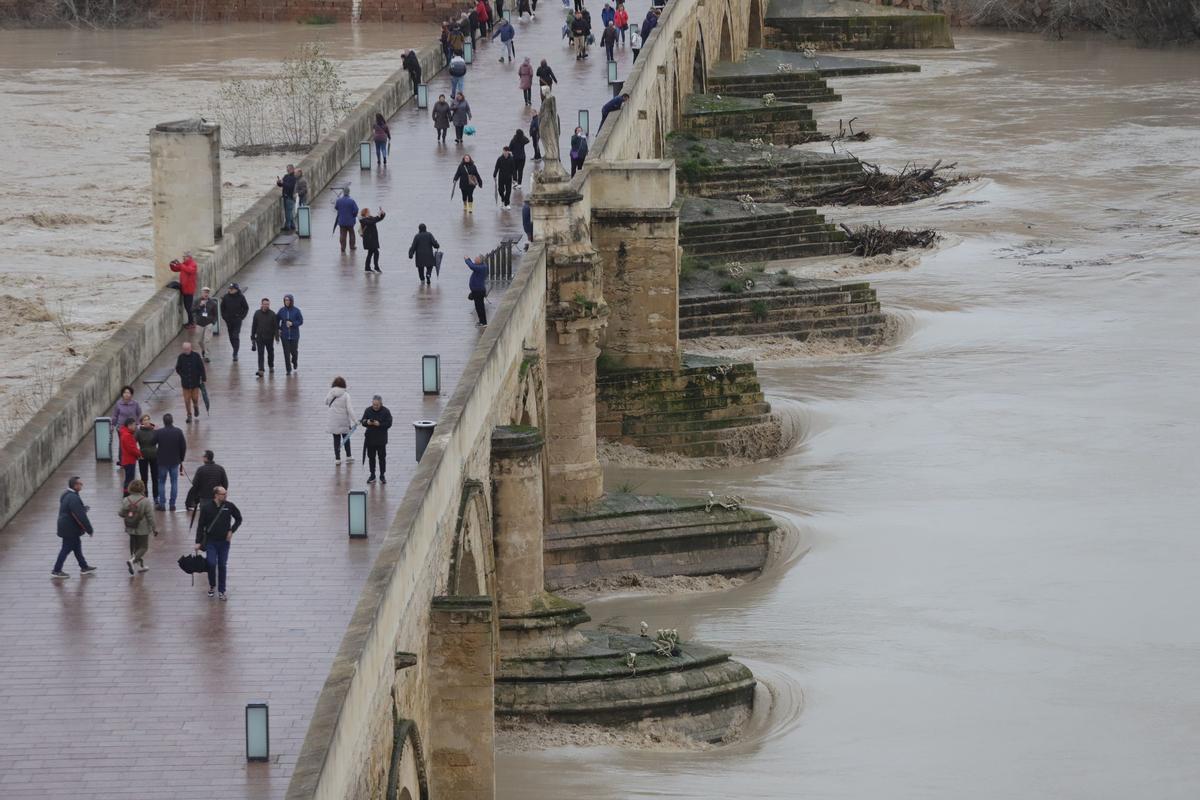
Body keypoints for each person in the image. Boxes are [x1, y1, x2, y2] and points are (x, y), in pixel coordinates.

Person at [194, 486, 242, 601]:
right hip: (211, 541)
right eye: (222, 494)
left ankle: (222, 590)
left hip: (224, 542)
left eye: (226, 493)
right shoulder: (206, 508)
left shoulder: (229, 506)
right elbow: (200, 525)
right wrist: (198, 542)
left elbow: (239, 518)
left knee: (222, 565)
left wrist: (232, 530)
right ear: (216, 495)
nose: (225, 496)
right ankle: (212, 585)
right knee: (211, 563)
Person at [51, 476, 96, 579]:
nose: (82, 485)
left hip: (67, 527)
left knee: (77, 547)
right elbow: (80, 516)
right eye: (80, 484)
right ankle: (56, 570)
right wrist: (89, 529)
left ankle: (84, 567)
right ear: (75, 485)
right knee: (66, 549)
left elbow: (71, 510)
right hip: (69, 529)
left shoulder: (67, 494)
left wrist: (82, 509)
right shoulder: (73, 498)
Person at [118, 479, 156, 575]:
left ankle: (140, 565)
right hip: (142, 528)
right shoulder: (145, 501)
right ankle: (132, 561)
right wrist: (154, 528)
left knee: (134, 546)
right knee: (143, 547)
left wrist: (128, 514)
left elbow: (121, 513)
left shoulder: (126, 499)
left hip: (130, 527)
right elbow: (150, 516)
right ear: (142, 488)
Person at [153, 413, 186, 512]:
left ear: (164, 422)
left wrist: (154, 431)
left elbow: (152, 442)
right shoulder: (178, 432)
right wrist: (181, 459)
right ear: (172, 421)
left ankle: (162, 504)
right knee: (174, 482)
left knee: (161, 482)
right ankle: (172, 505)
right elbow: (183, 447)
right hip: (175, 461)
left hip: (162, 461)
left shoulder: (159, 432)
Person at [360, 395, 393, 484]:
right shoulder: (368, 410)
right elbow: (363, 421)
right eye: (374, 404)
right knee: (371, 458)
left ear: (381, 404)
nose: (375, 407)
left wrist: (379, 424)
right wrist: (367, 422)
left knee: (382, 458)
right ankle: (372, 475)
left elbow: (389, 423)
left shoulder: (386, 411)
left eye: (377, 405)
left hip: (381, 440)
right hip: (370, 440)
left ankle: (382, 475)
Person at [325, 376, 357, 464]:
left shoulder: (331, 393)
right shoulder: (346, 395)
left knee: (336, 439)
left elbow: (326, 402)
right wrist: (355, 421)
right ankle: (348, 456)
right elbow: (350, 409)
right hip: (343, 420)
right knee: (346, 438)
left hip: (333, 421)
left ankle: (337, 459)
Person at [175, 341, 206, 423]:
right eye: (184, 349)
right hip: (185, 384)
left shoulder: (196, 356)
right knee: (187, 400)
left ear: (190, 348)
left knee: (195, 399)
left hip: (195, 383)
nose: (186, 351)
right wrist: (182, 375)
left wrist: (203, 378)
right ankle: (189, 415)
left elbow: (201, 367)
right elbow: (178, 368)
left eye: (187, 349)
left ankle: (196, 406)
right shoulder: (180, 357)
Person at [219, 281, 248, 361]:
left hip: (237, 320)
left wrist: (242, 317)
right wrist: (224, 317)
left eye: (232, 289)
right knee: (231, 337)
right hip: (229, 320)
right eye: (230, 289)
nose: (230, 290)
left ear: (236, 289)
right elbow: (222, 308)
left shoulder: (241, 297)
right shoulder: (225, 297)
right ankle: (235, 349)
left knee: (235, 335)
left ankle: (235, 353)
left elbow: (246, 308)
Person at [136, 414, 160, 507]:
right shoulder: (138, 432)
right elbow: (133, 443)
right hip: (143, 457)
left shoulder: (155, 430)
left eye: (148, 419)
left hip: (154, 456)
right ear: (141, 422)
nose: (146, 421)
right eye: (144, 420)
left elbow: (160, 441)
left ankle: (156, 498)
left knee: (155, 478)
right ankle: (145, 496)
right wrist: (138, 453)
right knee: (144, 478)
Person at [252, 297, 279, 377]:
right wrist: (252, 336)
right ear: (261, 304)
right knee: (260, 353)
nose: (266, 306)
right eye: (264, 304)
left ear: (269, 305)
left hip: (269, 337)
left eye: (267, 304)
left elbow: (275, 327)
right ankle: (261, 370)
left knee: (270, 353)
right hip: (259, 337)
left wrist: (276, 337)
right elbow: (254, 326)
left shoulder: (272, 314)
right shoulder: (257, 313)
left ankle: (271, 366)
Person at [277, 293, 303, 375]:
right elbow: (276, 320)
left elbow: (301, 321)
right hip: (284, 335)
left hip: (294, 335)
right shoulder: (281, 310)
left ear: (291, 301)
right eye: (285, 300)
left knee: (294, 351)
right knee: (286, 352)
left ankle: (294, 361)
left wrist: (292, 324)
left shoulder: (296, 311)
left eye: (288, 300)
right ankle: (288, 369)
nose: (286, 302)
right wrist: (278, 329)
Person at [170, 253, 198, 328]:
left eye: (184, 257)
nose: (183, 258)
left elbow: (189, 270)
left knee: (188, 307)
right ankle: (190, 322)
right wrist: (172, 264)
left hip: (189, 289)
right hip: (184, 288)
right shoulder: (185, 264)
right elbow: (176, 269)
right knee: (187, 307)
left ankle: (192, 323)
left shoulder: (193, 264)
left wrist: (181, 265)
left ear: (189, 257)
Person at [191, 286, 217, 362]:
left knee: (207, 340)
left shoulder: (213, 303)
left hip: (208, 323)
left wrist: (213, 322)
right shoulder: (197, 301)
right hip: (199, 323)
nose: (206, 294)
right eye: (205, 292)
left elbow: (215, 314)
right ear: (201, 293)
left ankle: (207, 355)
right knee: (199, 341)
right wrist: (200, 306)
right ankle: (203, 350)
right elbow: (192, 310)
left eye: (207, 292)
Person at [359, 208, 388, 273]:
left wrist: (382, 214)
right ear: (365, 213)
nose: (369, 212)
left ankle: (367, 267)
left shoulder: (370, 218)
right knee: (376, 252)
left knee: (370, 253)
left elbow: (378, 219)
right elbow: (371, 222)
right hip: (369, 240)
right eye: (368, 212)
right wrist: (378, 216)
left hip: (372, 239)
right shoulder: (363, 220)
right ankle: (376, 267)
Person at [117, 418, 141, 494]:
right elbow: (132, 449)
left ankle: (126, 493)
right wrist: (140, 454)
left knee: (128, 478)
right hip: (129, 461)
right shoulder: (127, 435)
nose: (135, 427)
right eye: (134, 425)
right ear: (129, 425)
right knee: (129, 479)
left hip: (127, 460)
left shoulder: (125, 433)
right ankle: (127, 494)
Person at [466, 255, 490, 325]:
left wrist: (467, 260)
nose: (475, 259)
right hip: (477, 290)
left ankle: (483, 322)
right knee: (479, 307)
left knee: (480, 307)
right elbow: (473, 265)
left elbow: (472, 266)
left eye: (476, 258)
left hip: (478, 291)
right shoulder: (481, 266)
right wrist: (469, 259)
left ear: (480, 261)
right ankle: (482, 321)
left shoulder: (481, 267)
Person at [335, 188, 359, 253]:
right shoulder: (352, 201)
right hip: (350, 221)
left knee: (342, 234)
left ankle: (343, 247)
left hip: (342, 221)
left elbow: (336, 207)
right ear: (348, 192)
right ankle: (352, 246)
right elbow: (356, 210)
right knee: (352, 234)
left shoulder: (339, 201)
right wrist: (353, 215)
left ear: (343, 192)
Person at [276, 164, 297, 231]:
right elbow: (281, 185)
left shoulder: (294, 178)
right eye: (287, 169)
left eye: (289, 169)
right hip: (285, 196)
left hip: (290, 197)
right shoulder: (286, 176)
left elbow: (290, 187)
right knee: (289, 212)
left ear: (292, 169)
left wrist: (283, 183)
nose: (287, 170)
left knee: (288, 213)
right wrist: (279, 182)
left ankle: (287, 226)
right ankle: (292, 225)